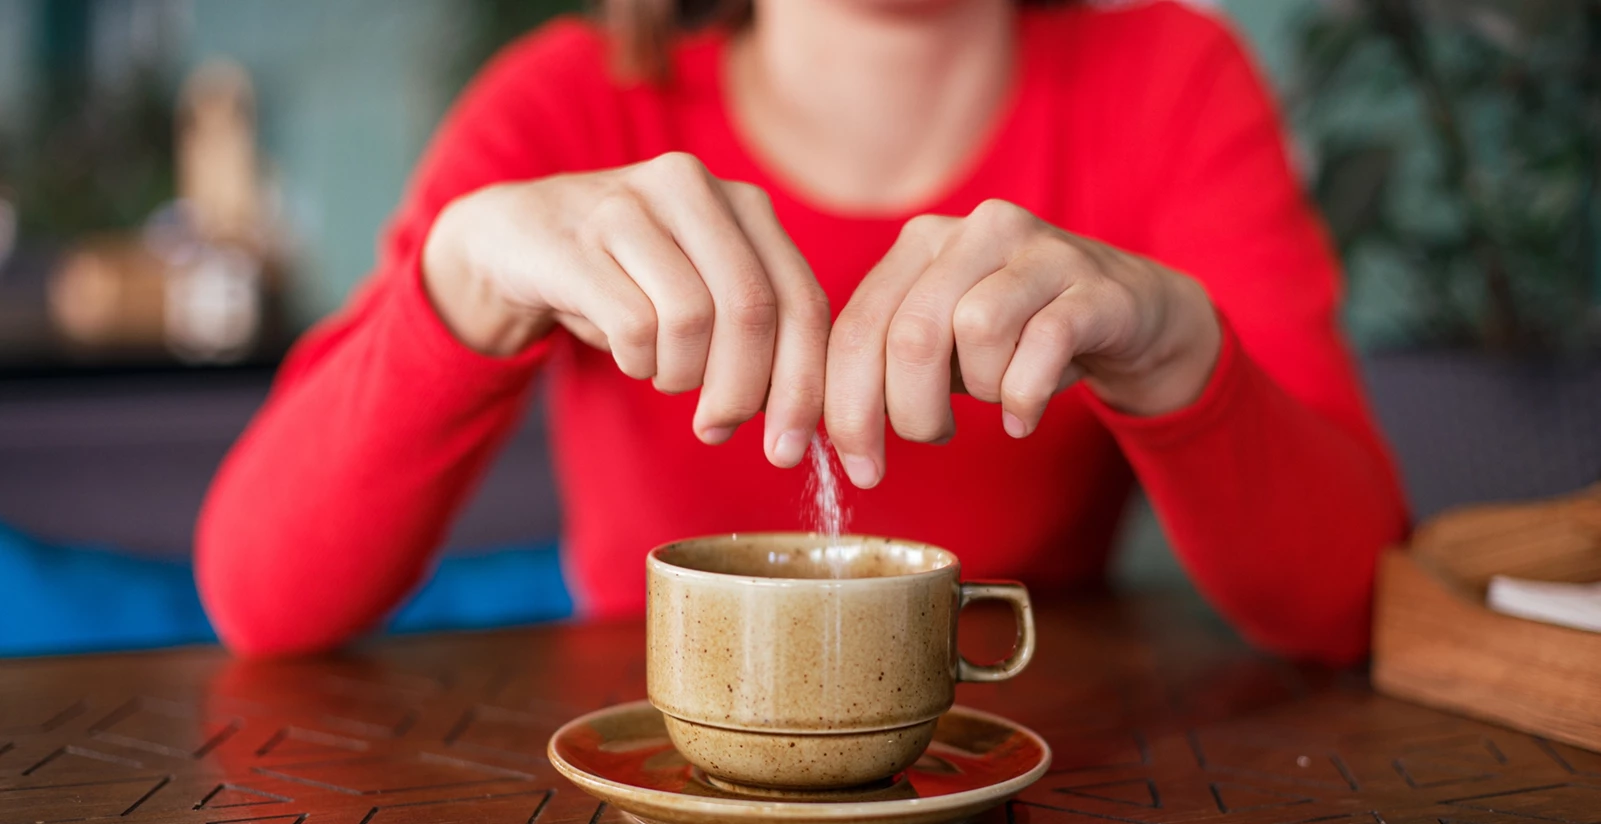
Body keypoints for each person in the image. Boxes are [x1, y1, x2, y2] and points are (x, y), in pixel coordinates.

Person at [196, 0, 1408, 664]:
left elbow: (1354, 598)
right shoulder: (561, 103)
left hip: (1044, 811)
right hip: (639, 821)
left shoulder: (1172, 82)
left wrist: (1176, 353)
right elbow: (260, 595)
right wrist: (458, 277)